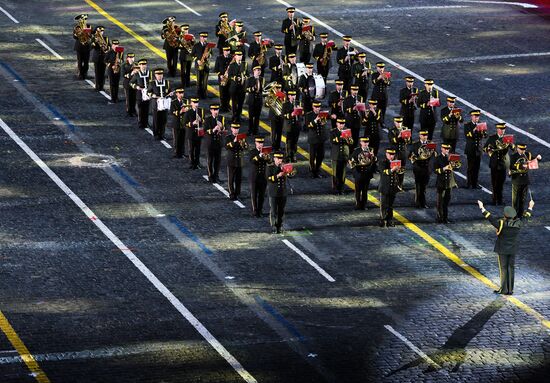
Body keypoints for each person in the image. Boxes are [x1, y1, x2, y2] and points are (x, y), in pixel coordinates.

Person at [477, 199, 534, 295]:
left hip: (502, 249)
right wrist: (530, 207)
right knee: (511, 268)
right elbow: (526, 216)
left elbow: (490, 218)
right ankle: (510, 289)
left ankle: (504, 289)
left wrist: (482, 208)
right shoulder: (519, 223)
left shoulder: (501, 224)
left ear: (505, 215)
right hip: (513, 249)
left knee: (503, 269)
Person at [483, 123, 513, 205]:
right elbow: (484, 148)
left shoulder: (506, 138)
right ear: (497, 129)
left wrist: (511, 144)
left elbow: (513, 148)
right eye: (501, 129)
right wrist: (488, 149)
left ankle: (500, 199)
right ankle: (494, 199)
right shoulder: (492, 138)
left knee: (501, 182)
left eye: (503, 129)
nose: (502, 130)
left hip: (503, 163)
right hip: (495, 163)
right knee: (494, 183)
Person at [509, 144, 541, 216]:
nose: (523, 151)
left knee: (522, 199)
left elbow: (533, 161)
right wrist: (521, 165)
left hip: (525, 180)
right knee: (515, 200)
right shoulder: (513, 157)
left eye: (524, 149)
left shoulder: (527, 155)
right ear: (517, 149)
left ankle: (520, 214)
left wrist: (538, 159)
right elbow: (511, 166)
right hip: (516, 180)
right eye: (521, 149)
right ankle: (513, 214)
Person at [409, 131, 435, 208]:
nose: (424, 137)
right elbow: (410, 156)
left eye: (426, 135)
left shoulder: (430, 144)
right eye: (423, 135)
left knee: (424, 187)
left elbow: (434, 155)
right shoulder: (415, 144)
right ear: (419, 135)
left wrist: (434, 152)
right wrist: (414, 159)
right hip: (418, 168)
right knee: (418, 186)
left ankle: (423, 203)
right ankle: (417, 203)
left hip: (427, 168)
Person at [434, 143, 460, 223]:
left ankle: (445, 218)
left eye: (448, 149)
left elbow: (458, 165)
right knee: (440, 202)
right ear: (442, 149)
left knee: (446, 202)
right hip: (441, 182)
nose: (447, 150)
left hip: (449, 183)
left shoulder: (451, 157)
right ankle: (439, 218)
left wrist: (455, 164)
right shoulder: (438, 158)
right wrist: (444, 168)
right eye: (445, 149)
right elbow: (435, 170)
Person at [349, 137, 377, 210]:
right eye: (364, 142)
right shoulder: (357, 151)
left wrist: (373, 156)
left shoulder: (371, 150)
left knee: (365, 190)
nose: (365, 144)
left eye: (367, 142)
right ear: (360, 143)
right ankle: (358, 204)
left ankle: (364, 205)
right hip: (359, 172)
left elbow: (374, 161)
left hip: (367, 173)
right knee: (358, 190)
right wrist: (355, 172)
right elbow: (351, 161)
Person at [463, 110, 487, 189]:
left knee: (477, 167)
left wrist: (483, 131)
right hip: (471, 149)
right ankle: (468, 183)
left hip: (478, 149)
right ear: (472, 117)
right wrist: (474, 130)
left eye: (478, 116)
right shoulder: (467, 125)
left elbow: (485, 136)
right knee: (470, 167)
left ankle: (475, 183)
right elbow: (468, 135)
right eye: (475, 116)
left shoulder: (481, 124)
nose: (477, 118)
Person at [268, 151, 290, 233]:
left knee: (281, 211)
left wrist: (289, 171)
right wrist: (278, 175)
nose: (280, 160)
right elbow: (269, 179)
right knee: (274, 210)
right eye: (278, 159)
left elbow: (291, 175)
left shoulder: (284, 167)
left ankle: (280, 226)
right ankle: (274, 226)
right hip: (273, 192)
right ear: (274, 159)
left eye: (281, 159)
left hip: (283, 192)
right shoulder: (270, 167)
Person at [378, 148, 401, 227]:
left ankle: (389, 220)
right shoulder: (382, 162)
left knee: (390, 205)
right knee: (383, 205)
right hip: (384, 187)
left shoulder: (396, 162)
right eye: (390, 154)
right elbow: (384, 172)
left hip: (392, 187)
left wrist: (398, 170)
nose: (391, 156)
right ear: (386, 154)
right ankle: (382, 219)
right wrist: (392, 169)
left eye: (393, 155)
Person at [147, 68, 172, 140]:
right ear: (155, 75)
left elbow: (170, 91)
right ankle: (156, 134)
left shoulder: (167, 82)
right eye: (158, 74)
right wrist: (152, 95)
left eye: (161, 74)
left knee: (164, 120)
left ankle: (162, 134)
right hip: (156, 105)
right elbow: (148, 92)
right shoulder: (152, 83)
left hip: (164, 104)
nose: (159, 76)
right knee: (156, 120)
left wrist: (170, 94)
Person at [225, 123, 249, 200]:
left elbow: (246, 147)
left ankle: (238, 193)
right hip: (231, 161)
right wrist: (234, 141)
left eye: (237, 128)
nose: (236, 130)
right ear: (231, 129)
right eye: (234, 128)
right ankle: (232, 194)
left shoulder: (242, 137)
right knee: (231, 178)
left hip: (239, 161)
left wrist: (244, 144)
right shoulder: (228, 137)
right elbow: (227, 146)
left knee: (238, 179)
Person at [249, 137, 271, 217]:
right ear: (255, 143)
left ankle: (260, 210)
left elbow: (269, 162)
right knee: (254, 194)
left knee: (262, 195)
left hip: (263, 176)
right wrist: (259, 155)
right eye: (259, 143)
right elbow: (252, 161)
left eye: (261, 143)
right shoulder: (253, 152)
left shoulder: (265, 152)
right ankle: (255, 211)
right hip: (254, 177)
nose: (260, 144)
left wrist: (267, 157)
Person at [204, 104, 226, 183]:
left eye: (217, 110)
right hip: (210, 142)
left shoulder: (221, 118)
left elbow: (225, 130)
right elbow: (205, 130)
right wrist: (213, 130)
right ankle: (210, 176)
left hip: (218, 142)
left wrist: (221, 128)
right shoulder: (207, 119)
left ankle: (216, 176)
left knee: (218, 160)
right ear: (211, 111)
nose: (216, 111)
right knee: (210, 160)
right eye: (214, 110)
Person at [305, 101, 328, 178]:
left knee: (321, 155)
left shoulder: (322, 114)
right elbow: (308, 125)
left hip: (321, 138)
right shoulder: (309, 115)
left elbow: (328, 118)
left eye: (318, 107)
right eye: (316, 107)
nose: (317, 108)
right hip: (313, 139)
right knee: (312, 156)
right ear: (313, 107)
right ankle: (312, 171)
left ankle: (318, 169)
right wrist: (315, 120)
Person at [388, 116, 411, 190]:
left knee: (402, 169)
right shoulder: (392, 131)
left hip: (403, 152)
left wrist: (408, 138)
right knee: (395, 168)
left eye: (400, 122)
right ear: (395, 122)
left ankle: (400, 184)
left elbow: (409, 141)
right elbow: (392, 141)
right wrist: (399, 136)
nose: (399, 124)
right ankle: (394, 184)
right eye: (397, 122)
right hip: (395, 152)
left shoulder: (405, 129)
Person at [331, 118, 353, 194]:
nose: (341, 125)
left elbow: (351, 143)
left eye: (343, 124)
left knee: (343, 174)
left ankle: (341, 189)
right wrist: (341, 137)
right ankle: (335, 189)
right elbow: (332, 141)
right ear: (337, 124)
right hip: (336, 156)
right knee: (335, 174)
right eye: (340, 124)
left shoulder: (347, 131)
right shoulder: (333, 131)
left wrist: (348, 138)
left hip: (344, 155)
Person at [183, 98, 205, 169]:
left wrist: (201, 120)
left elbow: (204, 120)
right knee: (191, 149)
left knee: (198, 149)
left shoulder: (201, 111)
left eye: (197, 102)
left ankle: (197, 162)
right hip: (191, 133)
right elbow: (185, 123)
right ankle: (192, 163)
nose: (196, 104)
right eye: (194, 102)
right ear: (191, 103)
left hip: (199, 132)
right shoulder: (188, 112)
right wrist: (192, 123)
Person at [129, 59, 151, 130]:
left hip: (147, 94)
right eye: (141, 65)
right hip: (140, 94)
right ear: (139, 66)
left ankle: (146, 123)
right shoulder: (137, 74)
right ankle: (141, 123)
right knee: (140, 109)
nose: (143, 66)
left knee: (147, 109)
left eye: (144, 65)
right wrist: (136, 87)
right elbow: (131, 82)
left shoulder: (149, 73)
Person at [281, 90, 302, 163]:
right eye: (292, 95)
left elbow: (302, 114)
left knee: (295, 142)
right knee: (288, 142)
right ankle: (287, 156)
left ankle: (294, 155)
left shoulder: (298, 103)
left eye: (295, 95)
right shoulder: (285, 105)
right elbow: (282, 115)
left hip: (296, 125)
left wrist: (301, 111)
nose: (293, 97)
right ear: (289, 96)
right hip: (289, 126)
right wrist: (291, 115)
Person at [227, 51, 248, 122]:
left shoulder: (245, 64)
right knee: (234, 103)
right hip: (234, 87)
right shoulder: (232, 65)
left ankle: (238, 116)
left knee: (240, 103)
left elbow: (247, 74)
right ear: (235, 56)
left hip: (242, 87)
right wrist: (235, 78)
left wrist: (245, 77)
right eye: (238, 55)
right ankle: (234, 117)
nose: (240, 57)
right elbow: (229, 76)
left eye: (241, 55)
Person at [191, 32, 212, 99]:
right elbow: (192, 55)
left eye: (205, 37)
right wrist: (197, 60)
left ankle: (204, 94)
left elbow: (211, 54)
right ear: (200, 37)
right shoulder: (196, 45)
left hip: (206, 65)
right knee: (199, 81)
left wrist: (208, 55)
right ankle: (199, 94)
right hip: (199, 65)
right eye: (203, 37)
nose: (204, 38)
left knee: (205, 81)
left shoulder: (208, 46)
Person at [245, 66, 264, 136]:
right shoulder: (250, 79)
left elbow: (262, 89)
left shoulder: (262, 79)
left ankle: (256, 130)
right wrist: (253, 88)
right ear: (254, 71)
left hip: (259, 100)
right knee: (250, 117)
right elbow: (246, 89)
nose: (258, 72)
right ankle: (250, 130)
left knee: (257, 117)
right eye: (257, 70)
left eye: (259, 70)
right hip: (252, 100)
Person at [343, 85, 364, 150]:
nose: (355, 92)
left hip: (357, 121)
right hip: (350, 121)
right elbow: (344, 109)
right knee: (349, 137)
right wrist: (352, 109)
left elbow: (362, 109)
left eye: (356, 90)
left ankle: (354, 149)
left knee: (356, 136)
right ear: (351, 90)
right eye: (354, 90)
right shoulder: (347, 99)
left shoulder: (360, 98)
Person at [169, 88, 188, 159]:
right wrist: (181, 111)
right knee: (176, 139)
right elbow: (172, 112)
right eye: (179, 93)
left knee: (182, 139)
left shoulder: (186, 101)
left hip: (183, 123)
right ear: (176, 94)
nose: (181, 94)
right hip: (176, 123)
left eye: (182, 93)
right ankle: (176, 153)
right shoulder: (173, 102)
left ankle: (182, 153)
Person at [90, 25, 109, 92]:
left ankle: (102, 86)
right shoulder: (94, 38)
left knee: (102, 72)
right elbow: (90, 47)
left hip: (104, 58)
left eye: (102, 31)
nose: (102, 32)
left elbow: (109, 47)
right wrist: (95, 43)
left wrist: (106, 47)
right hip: (97, 58)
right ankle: (97, 86)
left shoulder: (106, 38)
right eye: (100, 31)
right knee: (97, 72)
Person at [73, 14, 91, 80]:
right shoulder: (77, 27)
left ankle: (85, 73)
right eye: (83, 19)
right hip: (79, 47)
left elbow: (91, 36)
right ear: (80, 20)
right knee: (80, 61)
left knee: (86, 62)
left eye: (85, 19)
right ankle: (80, 74)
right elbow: (74, 37)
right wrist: (77, 34)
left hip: (87, 46)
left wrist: (88, 34)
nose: (85, 20)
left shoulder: (88, 26)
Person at [214, 46, 232, 112]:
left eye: (228, 51)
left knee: (228, 93)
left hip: (229, 79)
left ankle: (227, 105)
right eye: (226, 51)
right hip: (222, 78)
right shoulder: (219, 58)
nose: (227, 52)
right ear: (223, 51)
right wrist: (220, 75)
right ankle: (223, 105)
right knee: (222, 93)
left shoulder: (231, 58)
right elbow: (216, 69)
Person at [178, 24, 193, 88]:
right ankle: (183, 83)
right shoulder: (180, 37)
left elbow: (194, 45)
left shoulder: (191, 36)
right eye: (185, 29)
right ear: (182, 30)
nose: (186, 31)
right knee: (182, 71)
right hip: (183, 56)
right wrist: (181, 45)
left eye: (187, 29)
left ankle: (188, 83)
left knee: (188, 70)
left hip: (189, 56)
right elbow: (178, 46)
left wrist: (192, 41)